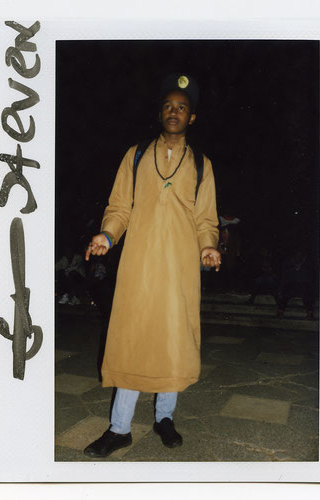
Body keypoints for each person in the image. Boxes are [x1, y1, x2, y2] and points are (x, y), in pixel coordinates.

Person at [83, 73, 221, 458]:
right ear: (160, 113)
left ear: (192, 117)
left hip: (179, 268)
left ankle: (165, 418)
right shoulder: (136, 154)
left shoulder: (202, 164)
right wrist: (107, 235)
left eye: (182, 107)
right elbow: (119, 206)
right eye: (168, 106)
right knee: (132, 338)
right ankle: (120, 428)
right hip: (139, 265)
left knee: (172, 340)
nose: (174, 112)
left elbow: (206, 219)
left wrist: (208, 246)